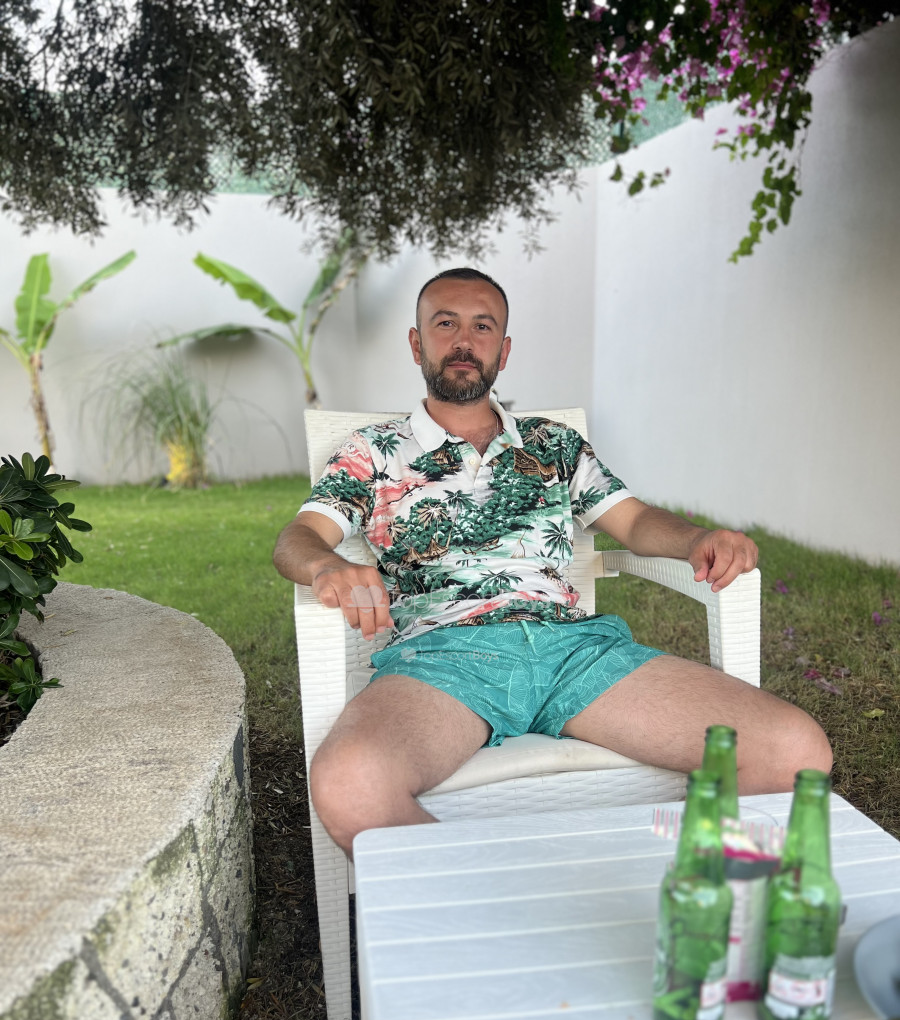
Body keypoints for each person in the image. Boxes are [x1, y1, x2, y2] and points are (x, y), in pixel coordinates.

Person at [273, 267, 831, 854]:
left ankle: (665, 888)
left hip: (576, 653)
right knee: (351, 783)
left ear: (504, 349)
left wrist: (696, 539)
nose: (464, 341)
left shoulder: (554, 444)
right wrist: (324, 566)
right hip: (445, 660)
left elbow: (634, 522)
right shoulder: (372, 451)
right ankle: (500, 901)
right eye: (445, 323)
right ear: (417, 344)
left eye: (482, 326)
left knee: (793, 748)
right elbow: (298, 537)